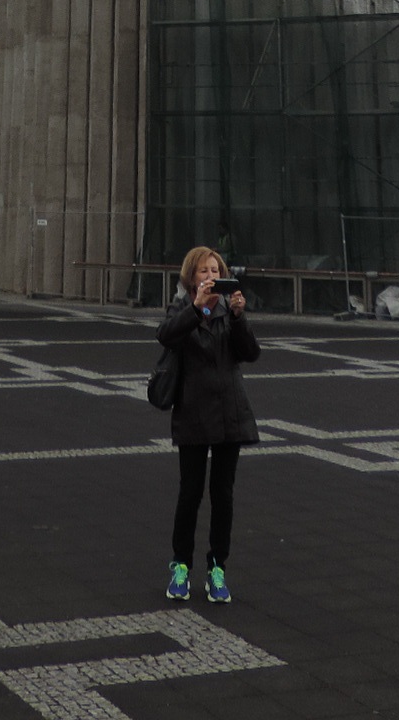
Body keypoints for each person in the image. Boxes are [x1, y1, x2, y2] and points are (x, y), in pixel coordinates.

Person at [157, 246, 260, 607]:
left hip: (230, 412)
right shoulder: (182, 307)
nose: (210, 276)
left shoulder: (228, 309)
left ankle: (218, 568)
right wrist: (197, 308)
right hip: (194, 413)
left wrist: (239, 317)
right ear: (191, 276)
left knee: (224, 495)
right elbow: (166, 335)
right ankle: (180, 566)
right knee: (190, 493)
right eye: (203, 271)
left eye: (215, 270)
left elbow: (250, 353)